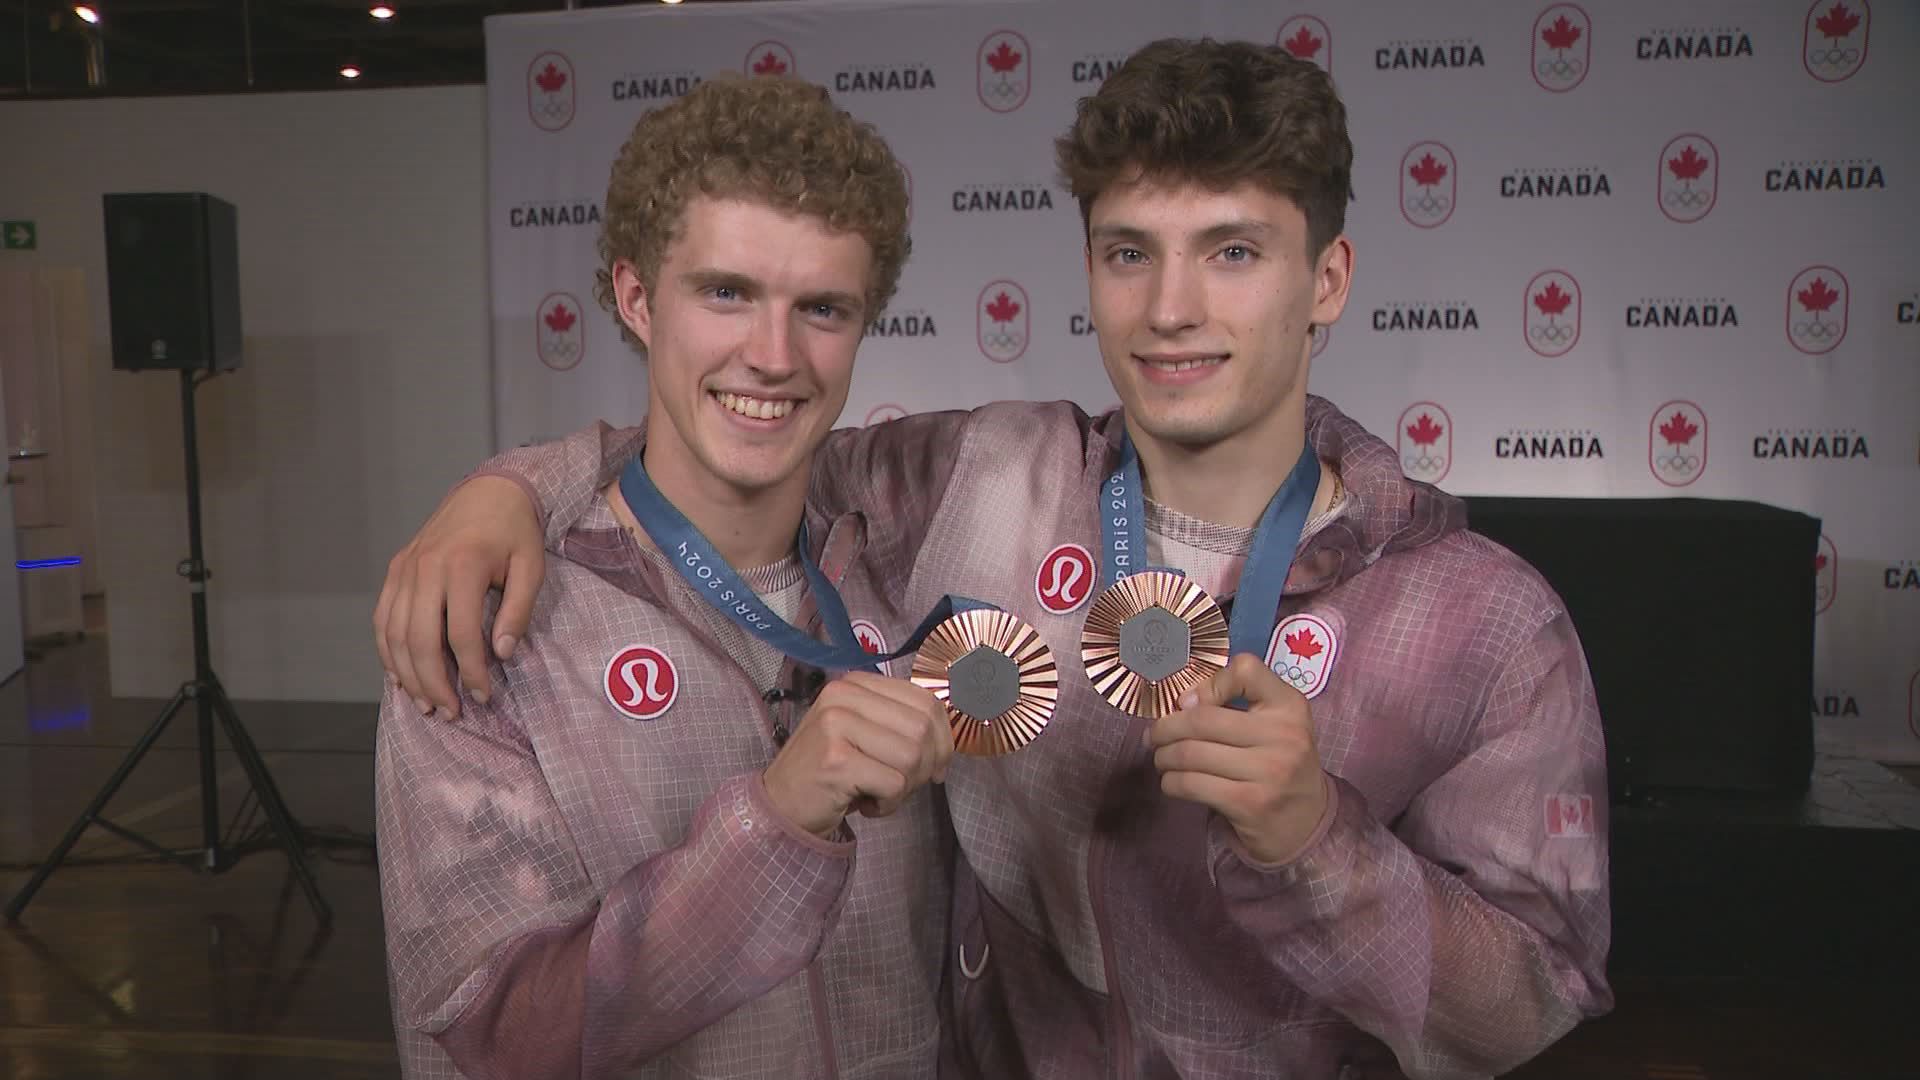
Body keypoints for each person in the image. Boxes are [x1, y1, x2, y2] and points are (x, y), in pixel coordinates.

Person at [378, 39, 1613, 1078]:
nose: (1172, 307)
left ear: (1326, 277)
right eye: (1131, 252)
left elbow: (1528, 1010)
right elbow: (735, 445)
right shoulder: (981, 477)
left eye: (1233, 252)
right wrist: (503, 489)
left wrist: (1319, 846)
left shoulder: (1483, 620)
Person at [372, 73, 967, 1079]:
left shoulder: (909, 560)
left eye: (821, 307)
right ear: (637, 297)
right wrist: (774, 825)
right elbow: (494, 1037)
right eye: (727, 293)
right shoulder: (486, 617)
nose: (773, 356)